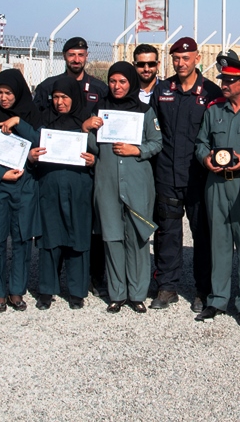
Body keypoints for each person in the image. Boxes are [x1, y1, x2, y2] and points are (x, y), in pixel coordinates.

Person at [194, 51, 240, 327]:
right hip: (216, 184)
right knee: (220, 243)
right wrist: (205, 158)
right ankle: (217, 300)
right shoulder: (214, 110)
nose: (224, 83)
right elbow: (201, 142)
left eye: (230, 80)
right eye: (223, 78)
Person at [82, 61, 162, 313]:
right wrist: (86, 129)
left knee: (137, 237)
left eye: (122, 81)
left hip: (137, 183)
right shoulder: (100, 111)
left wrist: (136, 150)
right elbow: (93, 148)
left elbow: (157, 142)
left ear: (132, 83)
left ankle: (137, 293)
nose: (117, 86)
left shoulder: (145, 111)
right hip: (107, 183)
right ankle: (117, 293)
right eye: (113, 81)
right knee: (112, 237)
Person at [149, 37, 222, 312]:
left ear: (197, 58)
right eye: (176, 58)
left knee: (202, 234)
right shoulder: (163, 90)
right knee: (167, 232)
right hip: (167, 175)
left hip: (198, 177)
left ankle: (204, 290)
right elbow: (152, 129)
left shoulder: (211, 92)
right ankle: (167, 287)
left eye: (186, 58)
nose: (180, 63)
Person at [32, 36, 108, 294]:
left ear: (87, 56)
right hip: (53, 172)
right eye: (71, 54)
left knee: (85, 230)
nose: (76, 59)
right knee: (52, 231)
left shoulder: (100, 88)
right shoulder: (46, 87)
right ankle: (49, 283)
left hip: (83, 169)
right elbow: (40, 124)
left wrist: (95, 156)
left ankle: (90, 279)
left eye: (81, 55)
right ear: (64, 56)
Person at [0, 69, 42, 312]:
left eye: (9, 93)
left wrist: (19, 123)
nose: (3, 98)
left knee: (22, 239)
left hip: (24, 185)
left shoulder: (32, 114)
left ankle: (16, 291)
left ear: (19, 92)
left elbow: (39, 142)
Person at [27, 76, 96, 310]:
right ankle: (47, 289)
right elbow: (32, 150)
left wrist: (93, 159)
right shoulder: (44, 123)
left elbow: (100, 153)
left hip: (78, 188)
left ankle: (77, 291)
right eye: (55, 97)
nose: (59, 102)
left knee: (78, 237)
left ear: (74, 98)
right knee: (50, 238)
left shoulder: (86, 123)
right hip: (50, 187)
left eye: (65, 97)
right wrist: (32, 156)